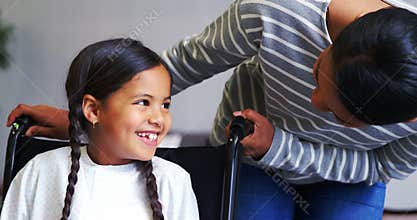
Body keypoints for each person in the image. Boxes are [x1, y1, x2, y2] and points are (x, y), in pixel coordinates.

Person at [6, 0, 417, 219]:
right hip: (253, 161)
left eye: (339, 116)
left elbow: (380, 167)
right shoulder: (275, 10)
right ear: (335, 41)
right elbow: (183, 65)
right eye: (316, 76)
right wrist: (86, 122)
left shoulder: (173, 185)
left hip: (349, 175)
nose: (313, 102)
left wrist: (281, 146)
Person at [1, 39, 199, 220]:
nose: (158, 118)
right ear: (93, 110)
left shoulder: (174, 181)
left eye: (165, 105)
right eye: (143, 102)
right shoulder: (40, 172)